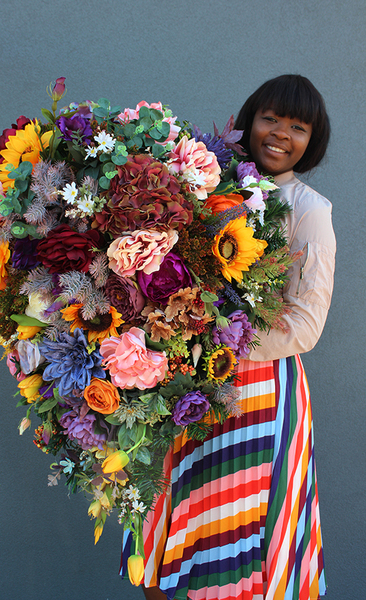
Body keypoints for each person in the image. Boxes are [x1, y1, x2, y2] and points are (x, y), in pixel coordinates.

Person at [122, 74, 336, 600]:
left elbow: (305, 324)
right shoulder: (207, 185)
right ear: (248, 121)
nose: (280, 134)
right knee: (169, 517)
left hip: (257, 397)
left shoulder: (310, 209)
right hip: (181, 388)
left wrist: (209, 345)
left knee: (241, 534)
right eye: (270, 119)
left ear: (314, 141)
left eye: (298, 126)